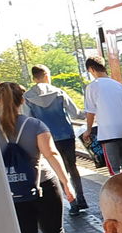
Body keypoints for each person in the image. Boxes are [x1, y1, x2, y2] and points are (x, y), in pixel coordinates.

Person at [0, 81, 76, 233]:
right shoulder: (35, 125)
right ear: (22, 100)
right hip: (43, 184)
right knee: (55, 231)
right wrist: (66, 183)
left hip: (10, 189)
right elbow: (51, 154)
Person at [26, 64, 89, 213]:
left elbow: (29, 120)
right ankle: (81, 199)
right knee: (72, 167)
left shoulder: (27, 97)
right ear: (46, 75)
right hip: (66, 135)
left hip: (45, 139)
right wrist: (91, 112)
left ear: (34, 78)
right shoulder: (58, 92)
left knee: (58, 169)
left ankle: (72, 204)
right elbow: (76, 114)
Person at [83, 55, 122, 175]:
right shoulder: (119, 85)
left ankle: (117, 187)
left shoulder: (92, 87)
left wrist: (88, 130)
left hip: (108, 132)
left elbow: (90, 112)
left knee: (114, 168)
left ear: (91, 69)